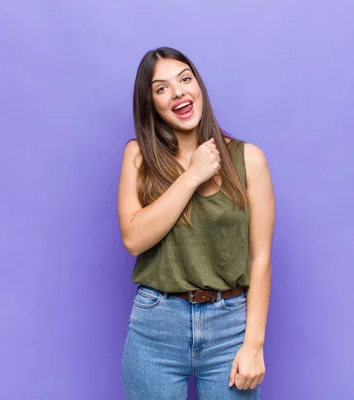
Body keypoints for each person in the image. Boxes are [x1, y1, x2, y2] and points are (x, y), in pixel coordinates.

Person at [117, 46, 275, 399]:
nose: (178, 92)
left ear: (198, 86)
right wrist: (191, 176)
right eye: (161, 88)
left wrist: (254, 345)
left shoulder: (249, 159)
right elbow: (133, 239)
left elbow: (260, 258)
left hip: (229, 326)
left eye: (185, 79)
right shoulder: (138, 157)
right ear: (151, 104)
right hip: (156, 327)